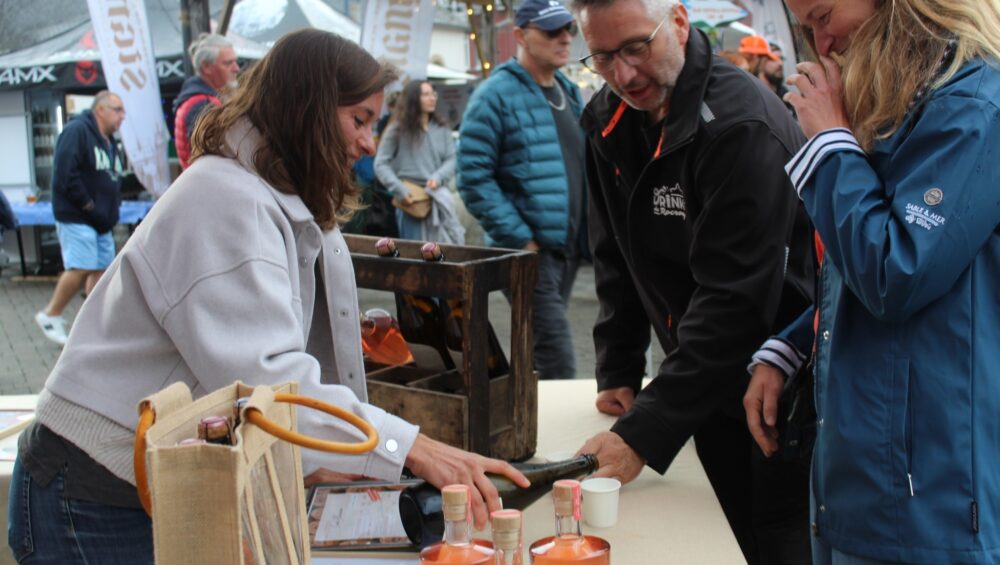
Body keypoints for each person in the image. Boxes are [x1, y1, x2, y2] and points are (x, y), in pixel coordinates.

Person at [7, 29, 527, 564]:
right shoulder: (225, 199)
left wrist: (328, 452)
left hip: (134, 474)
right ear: (310, 110)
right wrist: (407, 446)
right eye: (360, 120)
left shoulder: (267, 195)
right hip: (92, 484)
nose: (369, 143)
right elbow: (269, 379)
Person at [742, 0, 1000, 562]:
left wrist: (829, 145)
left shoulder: (974, 103)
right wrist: (795, 343)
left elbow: (895, 273)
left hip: (930, 498)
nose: (822, 43)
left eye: (824, 15)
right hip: (869, 482)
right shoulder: (905, 96)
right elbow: (867, 265)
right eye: (806, 26)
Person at [570, 0, 815, 563]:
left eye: (636, 47)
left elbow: (736, 300)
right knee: (714, 522)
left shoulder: (739, 123)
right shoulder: (606, 117)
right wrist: (619, 365)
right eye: (603, 56)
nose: (624, 74)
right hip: (698, 371)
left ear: (678, 23)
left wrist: (643, 431)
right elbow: (616, 254)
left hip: (780, 379)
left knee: (773, 536)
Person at [458, 0, 587, 380]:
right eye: (551, 31)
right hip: (530, 250)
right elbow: (472, 177)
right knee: (556, 356)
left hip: (565, 248)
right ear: (520, 35)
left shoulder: (567, 89)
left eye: (569, 29)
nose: (564, 38)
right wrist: (520, 239)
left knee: (537, 352)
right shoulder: (494, 94)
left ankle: (523, 431)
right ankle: (549, 437)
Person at [34, 91, 125, 346]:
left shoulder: (109, 140)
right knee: (81, 266)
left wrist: (109, 208)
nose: (122, 116)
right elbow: (65, 173)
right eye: (117, 110)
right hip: (77, 215)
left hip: (102, 219)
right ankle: (51, 314)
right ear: (100, 109)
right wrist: (88, 204)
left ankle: (92, 327)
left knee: (101, 271)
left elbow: (110, 177)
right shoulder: (77, 131)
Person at [374, 80, 464, 243]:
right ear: (414, 98)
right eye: (426, 94)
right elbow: (380, 163)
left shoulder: (442, 127)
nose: (432, 98)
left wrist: (438, 177)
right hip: (412, 202)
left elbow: (452, 158)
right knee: (417, 256)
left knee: (447, 253)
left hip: (439, 199)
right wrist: (400, 190)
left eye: (433, 94)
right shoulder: (397, 129)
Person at [173, 33, 239, 170]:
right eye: (228, 63)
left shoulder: (203, 100)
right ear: (206, 67)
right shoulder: (202, 105)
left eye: (235, 61)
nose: (236, 68)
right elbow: (212, 158)